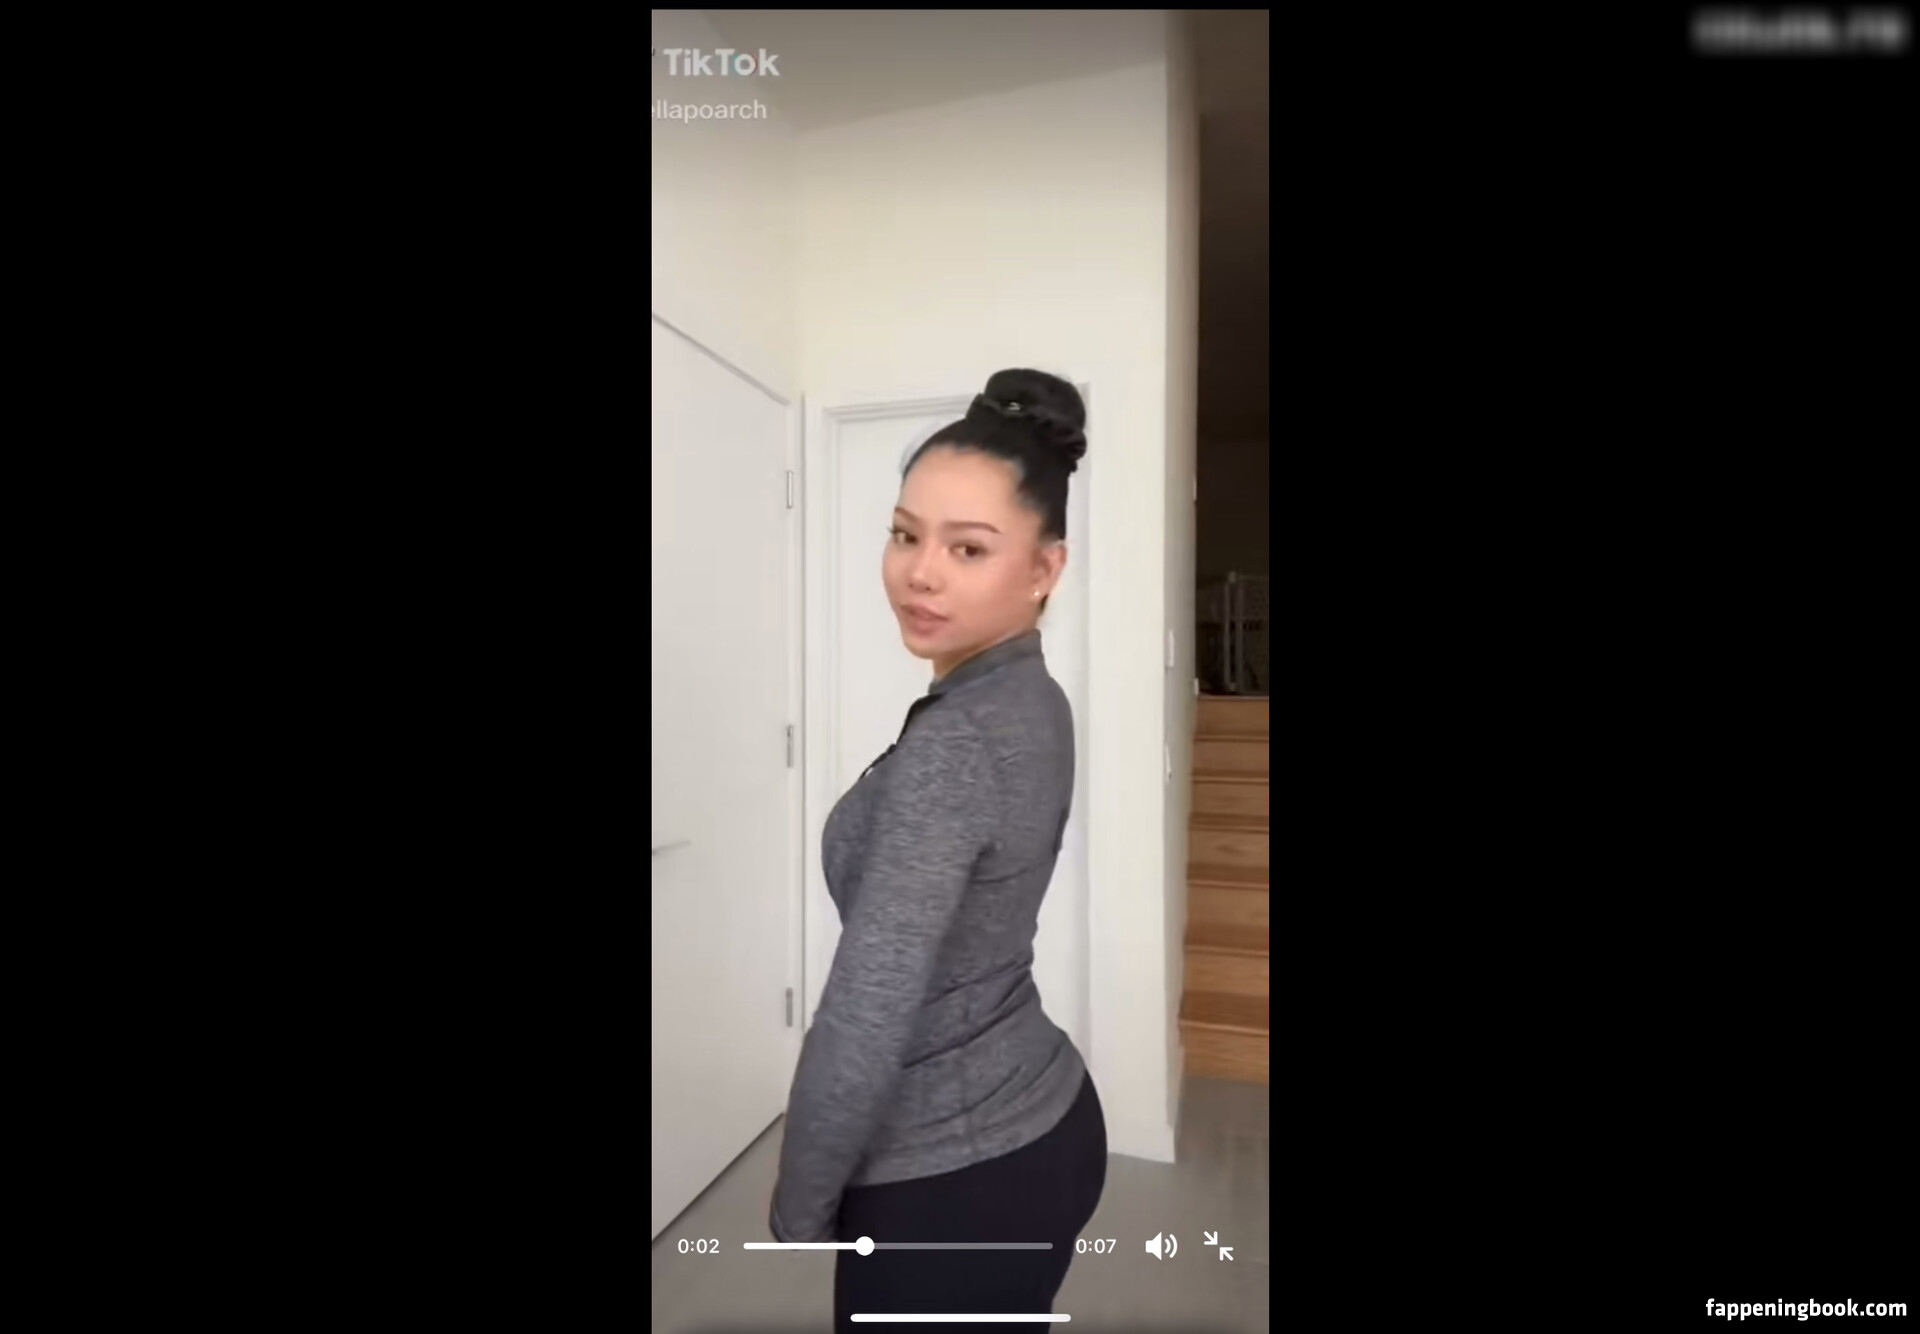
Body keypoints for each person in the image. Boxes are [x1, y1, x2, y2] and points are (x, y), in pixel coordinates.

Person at [769, 368, 1107, 1328]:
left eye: (968, 548)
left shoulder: (959, 740)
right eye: (904, 534)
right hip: (1042, 1119)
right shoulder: (1029, 696)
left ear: (1044, 569)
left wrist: (799, 1208)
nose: (920, 572)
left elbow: (867, 1009)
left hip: (954, 1175)